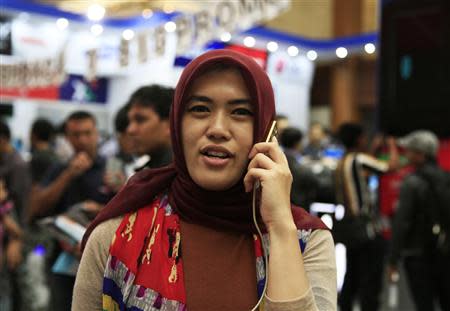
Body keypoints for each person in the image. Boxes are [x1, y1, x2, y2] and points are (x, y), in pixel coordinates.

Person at [73, 49, 337, 311]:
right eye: (200, 109)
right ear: (177, 123)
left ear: (266, 131)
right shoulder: (117, 235)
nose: (218, 129)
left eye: (240, 112)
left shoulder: (306, 241)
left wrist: (279, 226)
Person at [29, 111, 116, 310]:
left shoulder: (111, 168)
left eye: (87, 133)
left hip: (102, 262)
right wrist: (68, 174)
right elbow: (36, 207)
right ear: (67, 138)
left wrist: (101, 210)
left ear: (97, 134)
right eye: (76, 135)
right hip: (62, 260)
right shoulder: (59, 168)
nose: (83, 140)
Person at [334, 123, 399, 311]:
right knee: (370, 280)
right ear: (358, 139)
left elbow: (365, 171)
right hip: (366, 229)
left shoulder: (342, 161)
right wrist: (392, 145)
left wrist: (374, 148)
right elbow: (390, 166)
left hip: (349, 228)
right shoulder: (358, 159)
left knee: (351, 277)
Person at [387, 130, 450, 311]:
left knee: (424, 305)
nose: (406, 154)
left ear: (420, 154)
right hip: (445, 252)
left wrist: (393, 259)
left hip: (417, 255)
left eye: (410, 150)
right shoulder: (446, 178)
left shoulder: (411, 182)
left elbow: (402, 223)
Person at [126, 84, 174, 170]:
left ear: (169, 124)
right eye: (130, 121)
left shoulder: (179, 176)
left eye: (140, 120)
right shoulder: (153, 170)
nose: (130, 130)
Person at [280, 126, 319, 210]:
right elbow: (314, 184)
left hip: (281, 206)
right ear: (297, 143)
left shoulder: (276, 160)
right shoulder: (303, 170)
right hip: (299, 208)